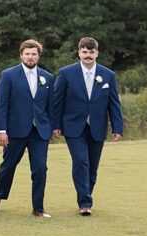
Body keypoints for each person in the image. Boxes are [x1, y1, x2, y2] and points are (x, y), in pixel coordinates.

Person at [52, 37, 124, 216]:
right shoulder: (66, 73)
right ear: (79, 53)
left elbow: (114, 103)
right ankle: (84, 202)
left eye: (91, 52)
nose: (88, 55)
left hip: (97, 127)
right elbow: (57, 102)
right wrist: (56, 125)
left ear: (97, 53)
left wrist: (117, 127)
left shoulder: (108, 75)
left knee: (92, 167)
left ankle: (86, 195)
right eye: (84, 52)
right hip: (73, 126)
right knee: (81, 162)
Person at [0, 40, 54, 218]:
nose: (30, 57)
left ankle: (38, 208)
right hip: (15, 130)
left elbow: (51, 106)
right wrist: (1, 130)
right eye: (27, 53)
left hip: (39, 131)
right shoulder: (9, 75)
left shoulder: (47, 77)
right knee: (8, 166)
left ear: (38, 56)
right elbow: (1, 104)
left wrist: (52, 127)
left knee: (40, 168)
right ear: (21, 55)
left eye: (34, 54)